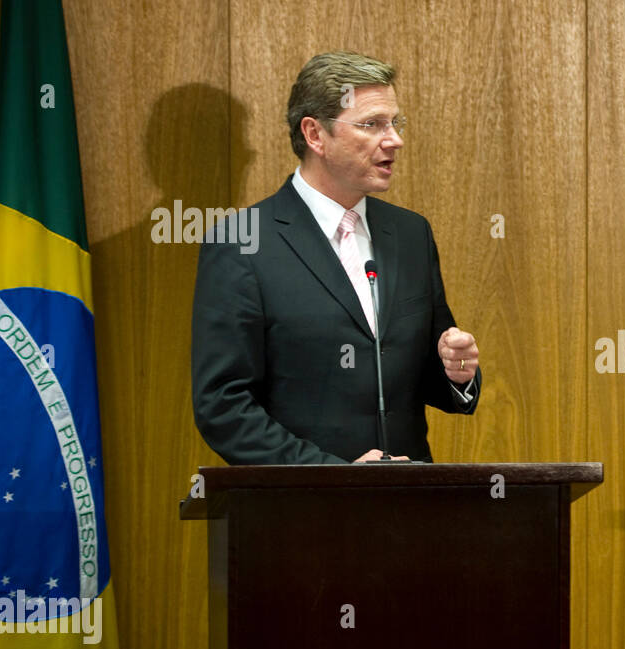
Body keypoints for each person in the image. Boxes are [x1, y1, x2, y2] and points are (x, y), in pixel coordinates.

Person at [192, 51, 480, 464]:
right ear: (315, 135)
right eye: (371, 124)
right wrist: (333, 474)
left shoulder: (409, 233)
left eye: (394, 122)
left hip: (412, 508)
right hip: (303, 513)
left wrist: (457, 370)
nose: (394, 139)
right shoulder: (242, 243)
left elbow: (424, 373)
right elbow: (223, 405)